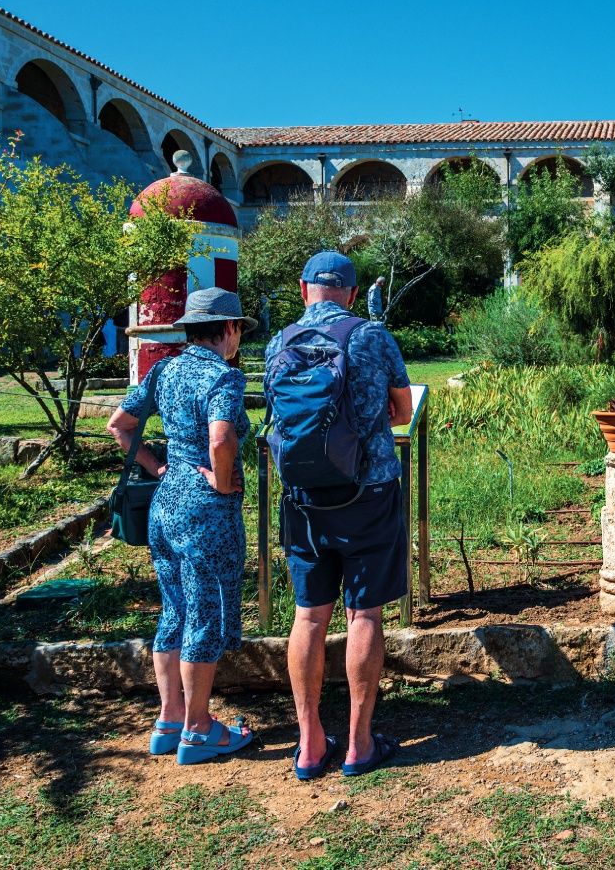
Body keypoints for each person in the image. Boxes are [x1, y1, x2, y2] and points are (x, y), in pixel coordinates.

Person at [266, 252, 412, 779]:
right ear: (351, 293)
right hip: (368, 493)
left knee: (308, 615)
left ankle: (308, 745)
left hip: (304, 497)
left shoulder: (278, 343)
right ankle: (358, 743)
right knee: (365, 615)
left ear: (304, 288)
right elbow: (402, 411)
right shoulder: (373, 337)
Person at [107, 287, 256, 765]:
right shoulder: (223, 377)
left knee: (174, 610)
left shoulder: (165, 370)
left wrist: (158, 468)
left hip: (165, 505)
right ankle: (199, 730)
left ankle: (169, 719)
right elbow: (221, 435)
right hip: (205, 513)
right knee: (206, 613)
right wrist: (218, 475)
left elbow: (120, 424)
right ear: (229, 329)